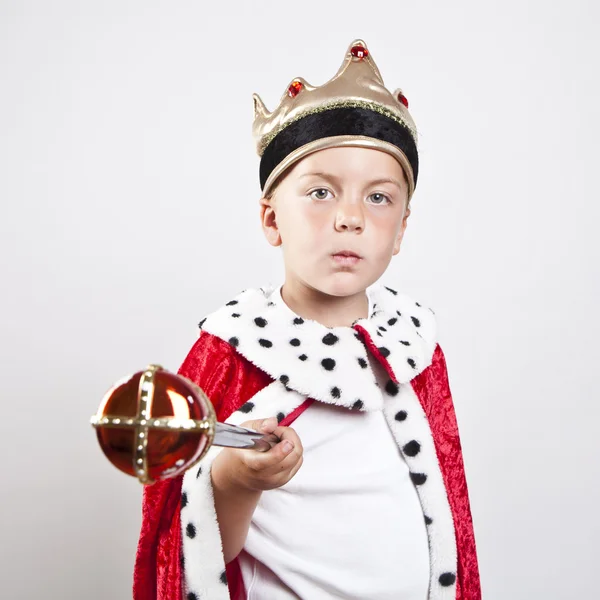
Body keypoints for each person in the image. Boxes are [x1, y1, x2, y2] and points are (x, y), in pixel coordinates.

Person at [133, 38, 481, 600]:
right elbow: (187, 550)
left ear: (402, 231)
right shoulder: (233, 350)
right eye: (321, 192)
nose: (349, 218)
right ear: (272, 219)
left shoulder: (413, 348)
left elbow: (447, 516)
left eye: (378, 198)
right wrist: (236, 479)